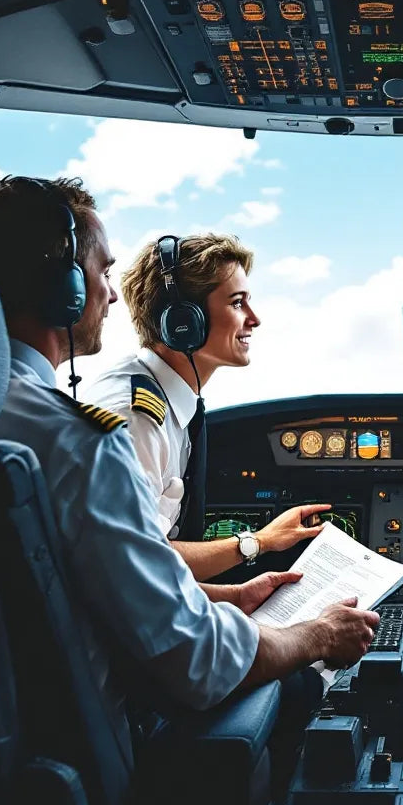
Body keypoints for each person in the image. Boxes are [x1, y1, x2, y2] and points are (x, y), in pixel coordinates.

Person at [0, 175, 379, 759]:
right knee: (305, 684)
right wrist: (315, 634)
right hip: (102, 742)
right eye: (100, 273)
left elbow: (86, 582)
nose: (112, 295)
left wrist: (221, 595)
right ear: (64, 290)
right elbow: (194, 661)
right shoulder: (86, 437)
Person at [85, 234, 326, 581]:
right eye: (237, 302)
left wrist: (239, 597)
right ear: (184, 321)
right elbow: (132, 565)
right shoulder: (135, 419)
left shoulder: (169, 402)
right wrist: (256, 543)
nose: (254, 319)